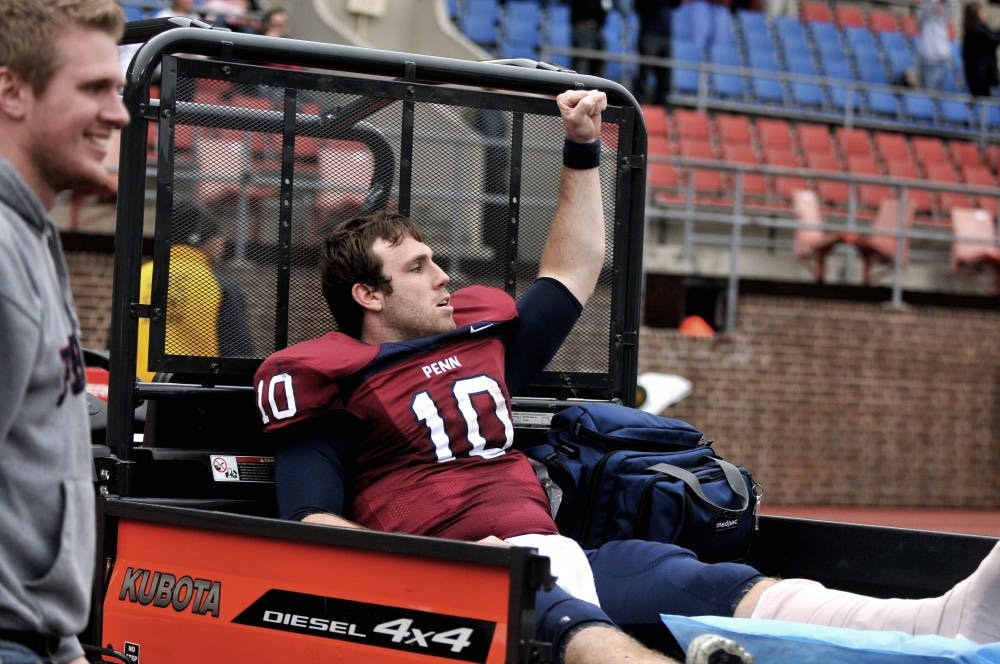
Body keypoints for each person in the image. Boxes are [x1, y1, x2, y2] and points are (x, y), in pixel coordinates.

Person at [254, 90, 1000, 664]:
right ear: (369, 295)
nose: (446, 276)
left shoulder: (479, 336)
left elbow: (574, 269)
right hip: (458, 578)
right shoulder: (327, 377)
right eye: (419, 267)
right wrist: (437, 568)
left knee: (697, 578)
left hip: (556, 549)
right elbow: (312, 524)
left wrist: (582, 149)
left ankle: (938, 622)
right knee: (551, 612)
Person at [0, 1, 130, 662]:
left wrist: (60, 644)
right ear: (12, 91)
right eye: (94, 89)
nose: (120, 113)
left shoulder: (26, 228)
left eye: (118, 89)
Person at [136, 202, 254, 381]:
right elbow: (239, 357)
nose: (221, 242)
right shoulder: (218, 285)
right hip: (190, 397)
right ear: (202, 240)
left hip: (136, 396)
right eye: (217, 235)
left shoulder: (140, 276)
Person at [633, 0, 674, 106]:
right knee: (644, 72)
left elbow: (676, 4)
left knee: (665, 75)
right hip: (649, 34)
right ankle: (639, 104)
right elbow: (639, 7)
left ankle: (661, 106)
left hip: (665, 36)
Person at [915, 0, 958, 91]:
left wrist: (943, 4)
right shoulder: (924, 15)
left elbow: (952, 3)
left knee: (940, 97)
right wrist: (935, 3)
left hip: (942, 61)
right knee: (929, 96)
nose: (940, 6)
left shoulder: (943, 17)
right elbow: (928, 6)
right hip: (929, 61)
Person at [961, 1, 1000, 97]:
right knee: (983, 102)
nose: (985, 13)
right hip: (979, 76)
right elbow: (993, 40)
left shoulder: (980, 28)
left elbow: (993, 36)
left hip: (984, 74)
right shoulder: (974, 30)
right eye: (982, 11)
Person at [570, 0, 611, 77]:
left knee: (601, 56)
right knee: (581, 61)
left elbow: (606, 8)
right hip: (580, 27)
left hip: (597, 29)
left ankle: (598, 85)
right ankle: (578, 84)